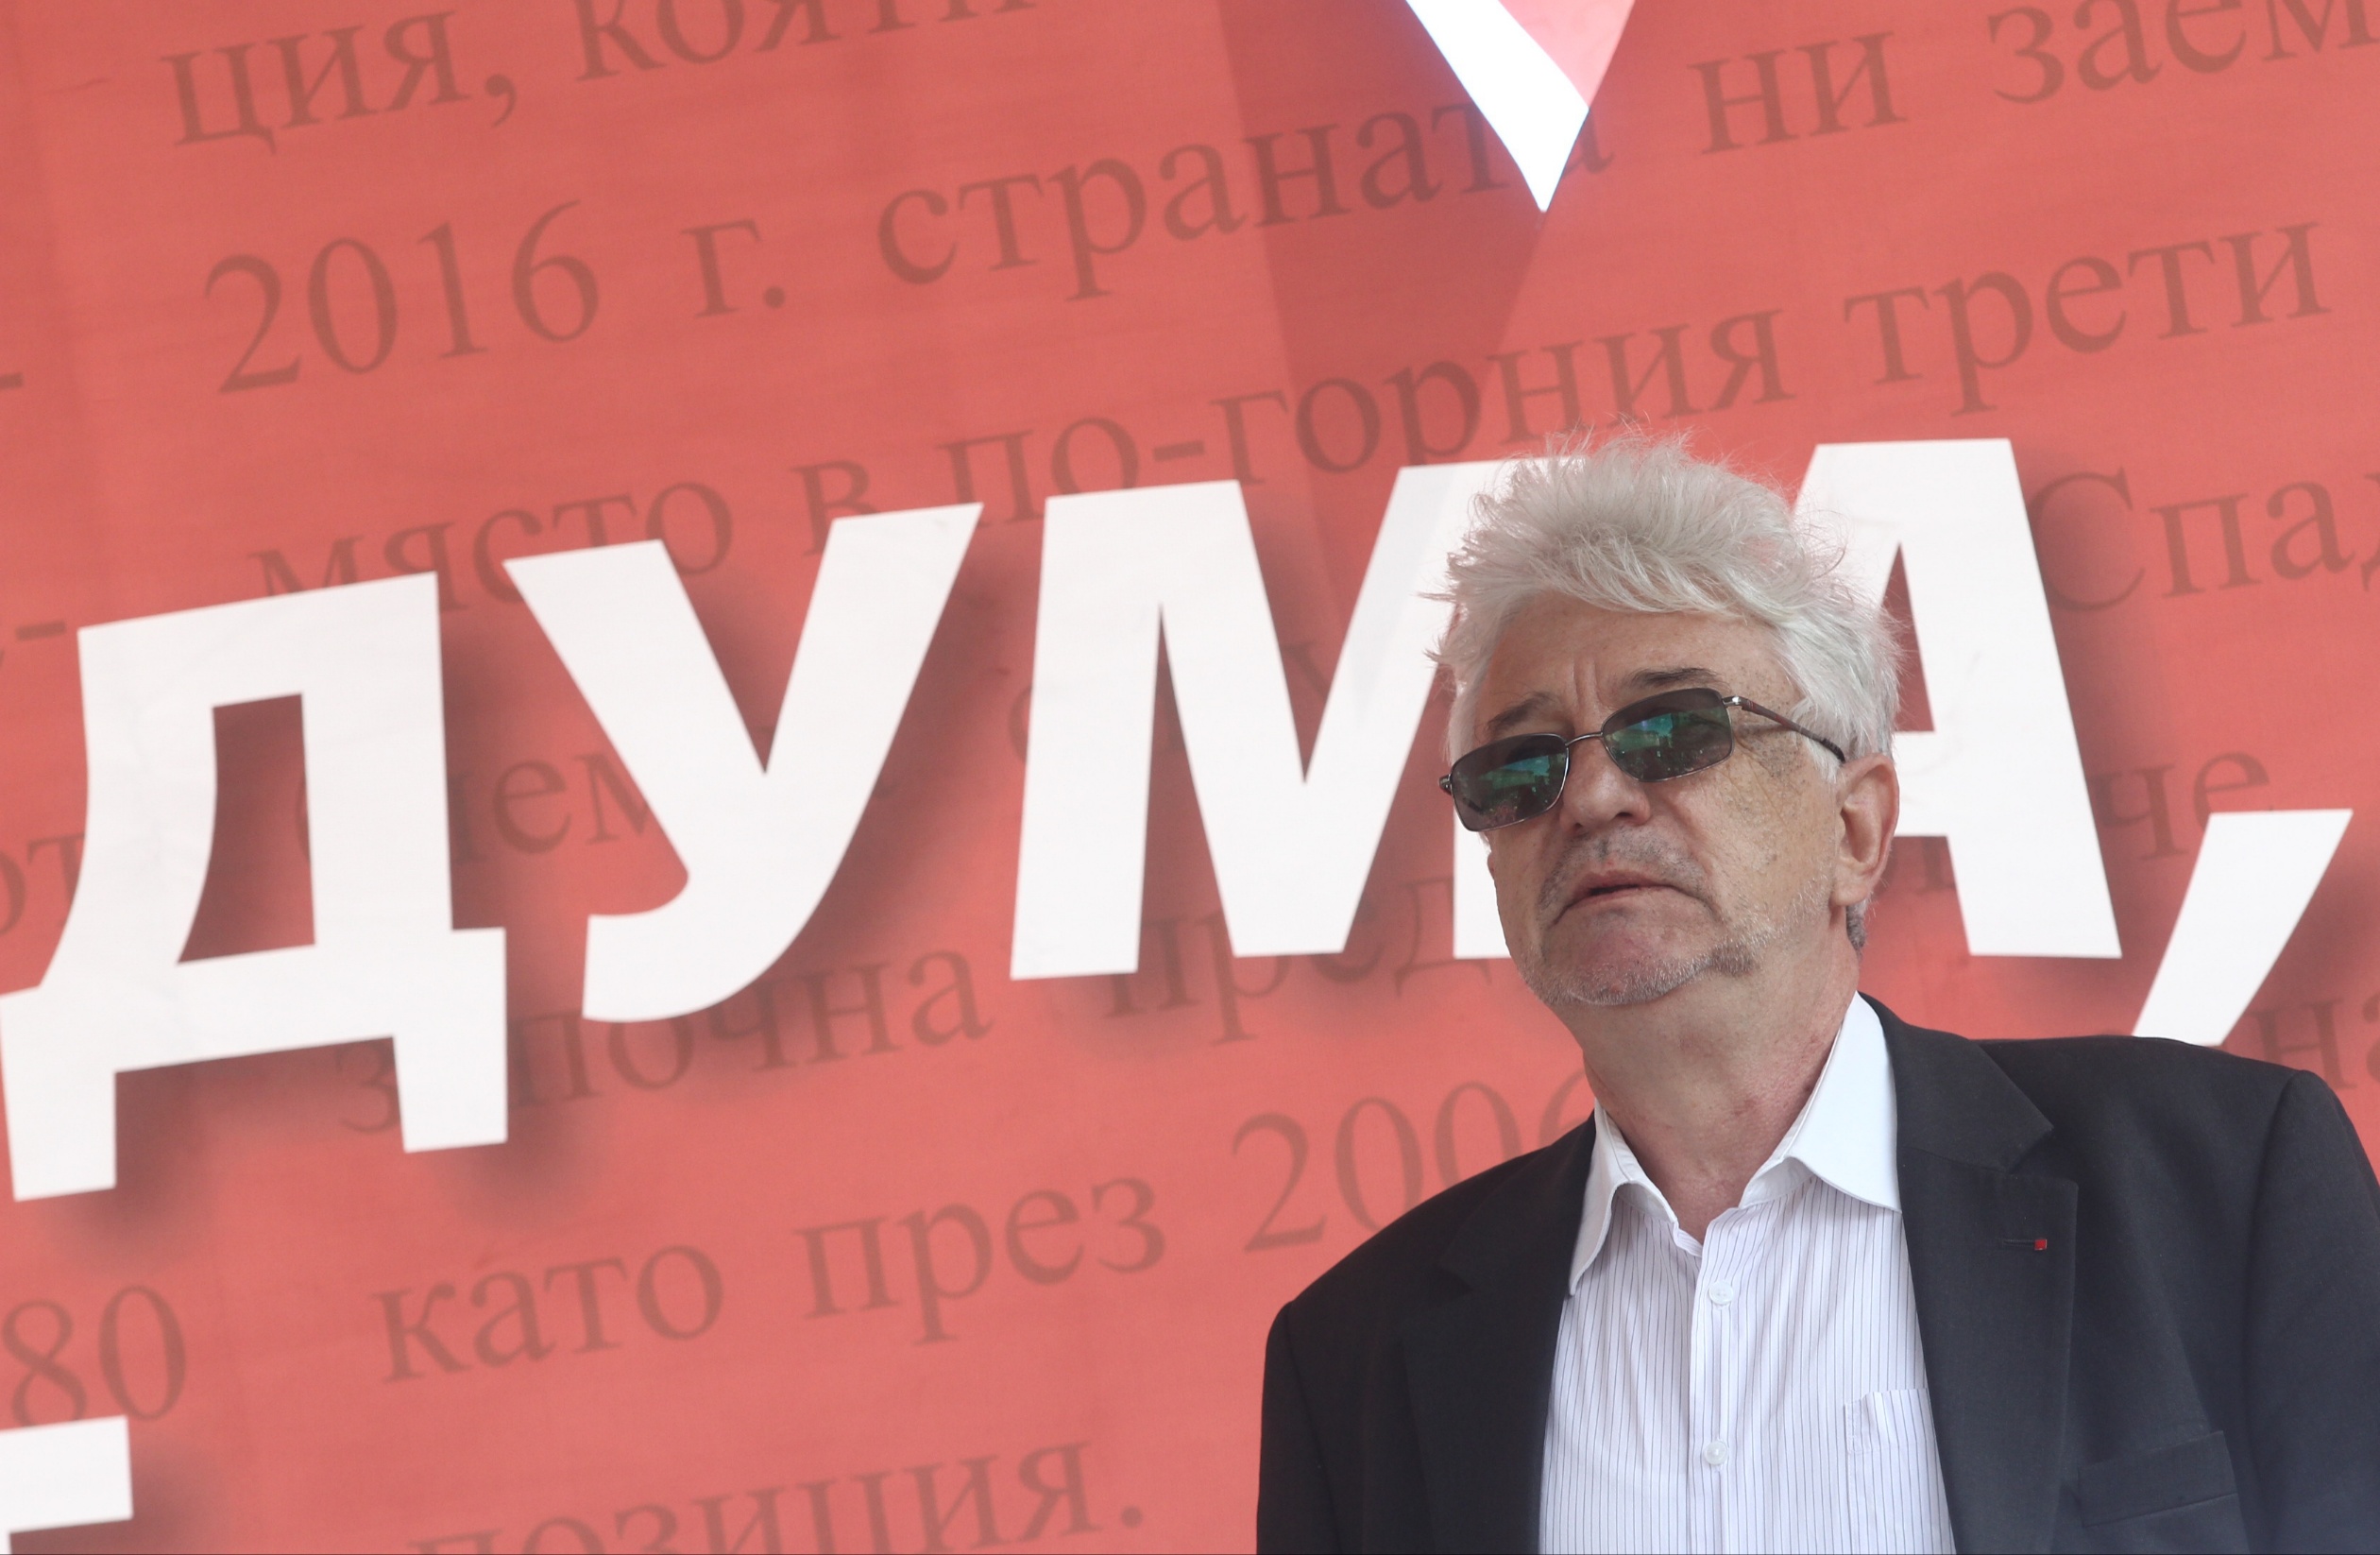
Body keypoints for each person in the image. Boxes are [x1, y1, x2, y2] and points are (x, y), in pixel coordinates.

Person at [1254, 438, 2380, 1554]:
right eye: (1523, 766)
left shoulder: (2224, 1180)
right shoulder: (1355, 1354)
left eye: (1671, 730)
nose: (1591, 795)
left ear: (1856, 827)